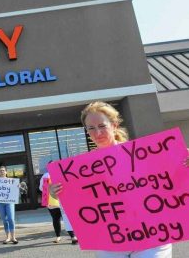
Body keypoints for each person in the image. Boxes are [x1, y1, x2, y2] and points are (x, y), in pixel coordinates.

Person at [51, 101, 189, 258]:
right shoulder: (81, 170)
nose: (97, 132)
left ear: (114, 125)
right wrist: (58, 193)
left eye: (102, 126)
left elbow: (173, 182)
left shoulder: (144, 154)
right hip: (112, 240)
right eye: (91, 128)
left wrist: (185, 164)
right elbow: (79, 201)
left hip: (153, 235)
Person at [39, 170, 77, 244]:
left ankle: (58, 236)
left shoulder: (45, 175)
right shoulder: (62, 174)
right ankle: (73, 236)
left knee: (55, 218)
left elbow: (41, 188)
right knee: (66, 217)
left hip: (51, 200)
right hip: (63, 199)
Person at [0, 166, 18, 244]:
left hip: (9, 202)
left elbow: (15, 190)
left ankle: (13, 237)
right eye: (0, 171)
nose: (2, 172)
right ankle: (8, 237)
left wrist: (17, 187)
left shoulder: (11, 181)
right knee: (4, 220)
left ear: (6, 172)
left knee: (11, 219)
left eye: (3, 170)